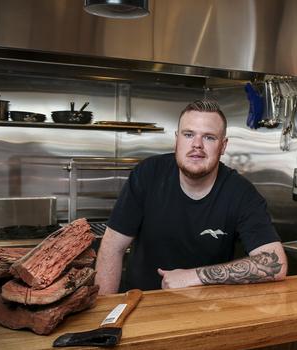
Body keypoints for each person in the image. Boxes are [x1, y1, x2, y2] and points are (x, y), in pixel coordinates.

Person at [95, 99, 287, 293]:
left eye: (209, 137)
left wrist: (193, 277)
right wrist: (103, 316)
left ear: (223, 146)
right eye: (188, 135)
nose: (197, 145)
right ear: (177, 139)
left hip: (210, 310)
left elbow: (275, 263)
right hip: (141, 304)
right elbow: (112, 248)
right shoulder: (148, 174)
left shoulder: (241, 193)